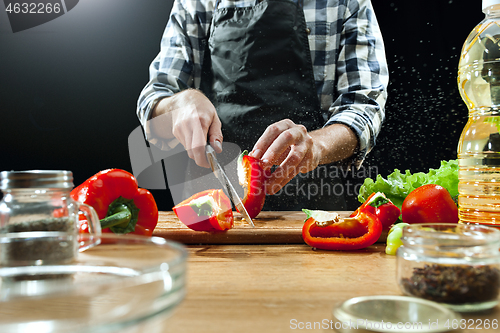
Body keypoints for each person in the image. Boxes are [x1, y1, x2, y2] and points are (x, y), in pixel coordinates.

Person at [136, 0, 388, 211]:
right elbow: (154, 99)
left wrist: (317, 146)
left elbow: (364, 106)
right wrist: (181, 103)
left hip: (315, 203)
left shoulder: (346, 2)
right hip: (213, 204)